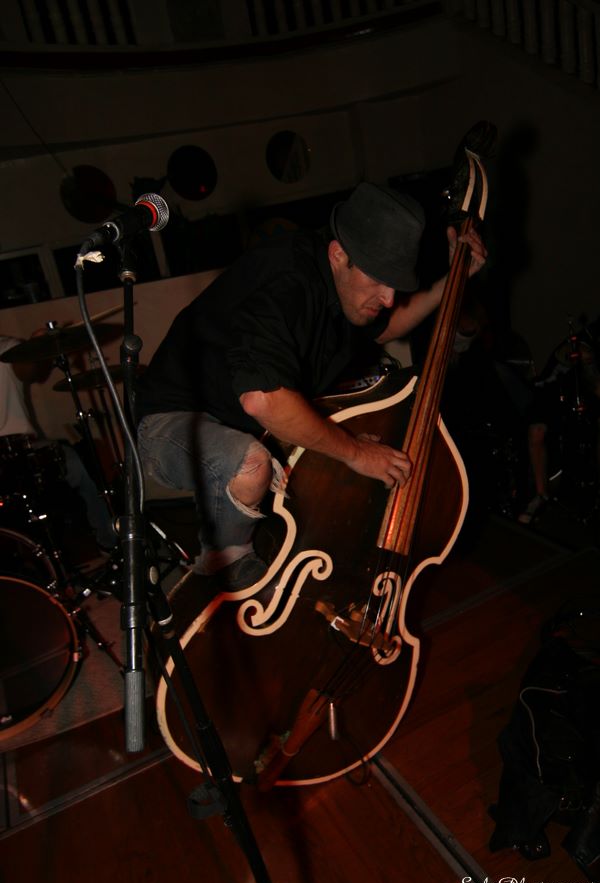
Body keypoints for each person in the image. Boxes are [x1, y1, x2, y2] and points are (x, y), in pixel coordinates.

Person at [136, 182, 487, 591]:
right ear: (339, 255)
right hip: (170, 424)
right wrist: (356, 453)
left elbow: (387, 327)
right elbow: (262, 400)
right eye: (379, 281)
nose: (389, 298)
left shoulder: (341, 286)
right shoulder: (287, 277)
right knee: (252, 467)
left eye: (395, 285)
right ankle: (223, 563)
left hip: (251, 428)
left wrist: (453, 281)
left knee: (346, 456)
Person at [0, 330, 118, 554]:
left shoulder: (6, 346)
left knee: (79, 463)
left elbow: (27, 370)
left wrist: (37, 347)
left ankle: (109, 541)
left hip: (21, 449)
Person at [518, 318, 600, 525]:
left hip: (582, 399)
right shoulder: (583, 340)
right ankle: (540, 494)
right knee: (536, 432)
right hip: (551, 393)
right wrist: (581, 356)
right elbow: (571, 358)